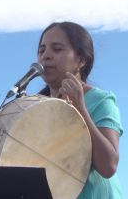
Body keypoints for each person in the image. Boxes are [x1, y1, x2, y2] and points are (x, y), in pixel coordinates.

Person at [37, 21, 123, 199]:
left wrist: (80, 109)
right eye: (42, 50)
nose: (46, 56)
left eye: (57, 49)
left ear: (81, 60)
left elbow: (109, 166)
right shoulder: (36, 109)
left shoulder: (100, 101)